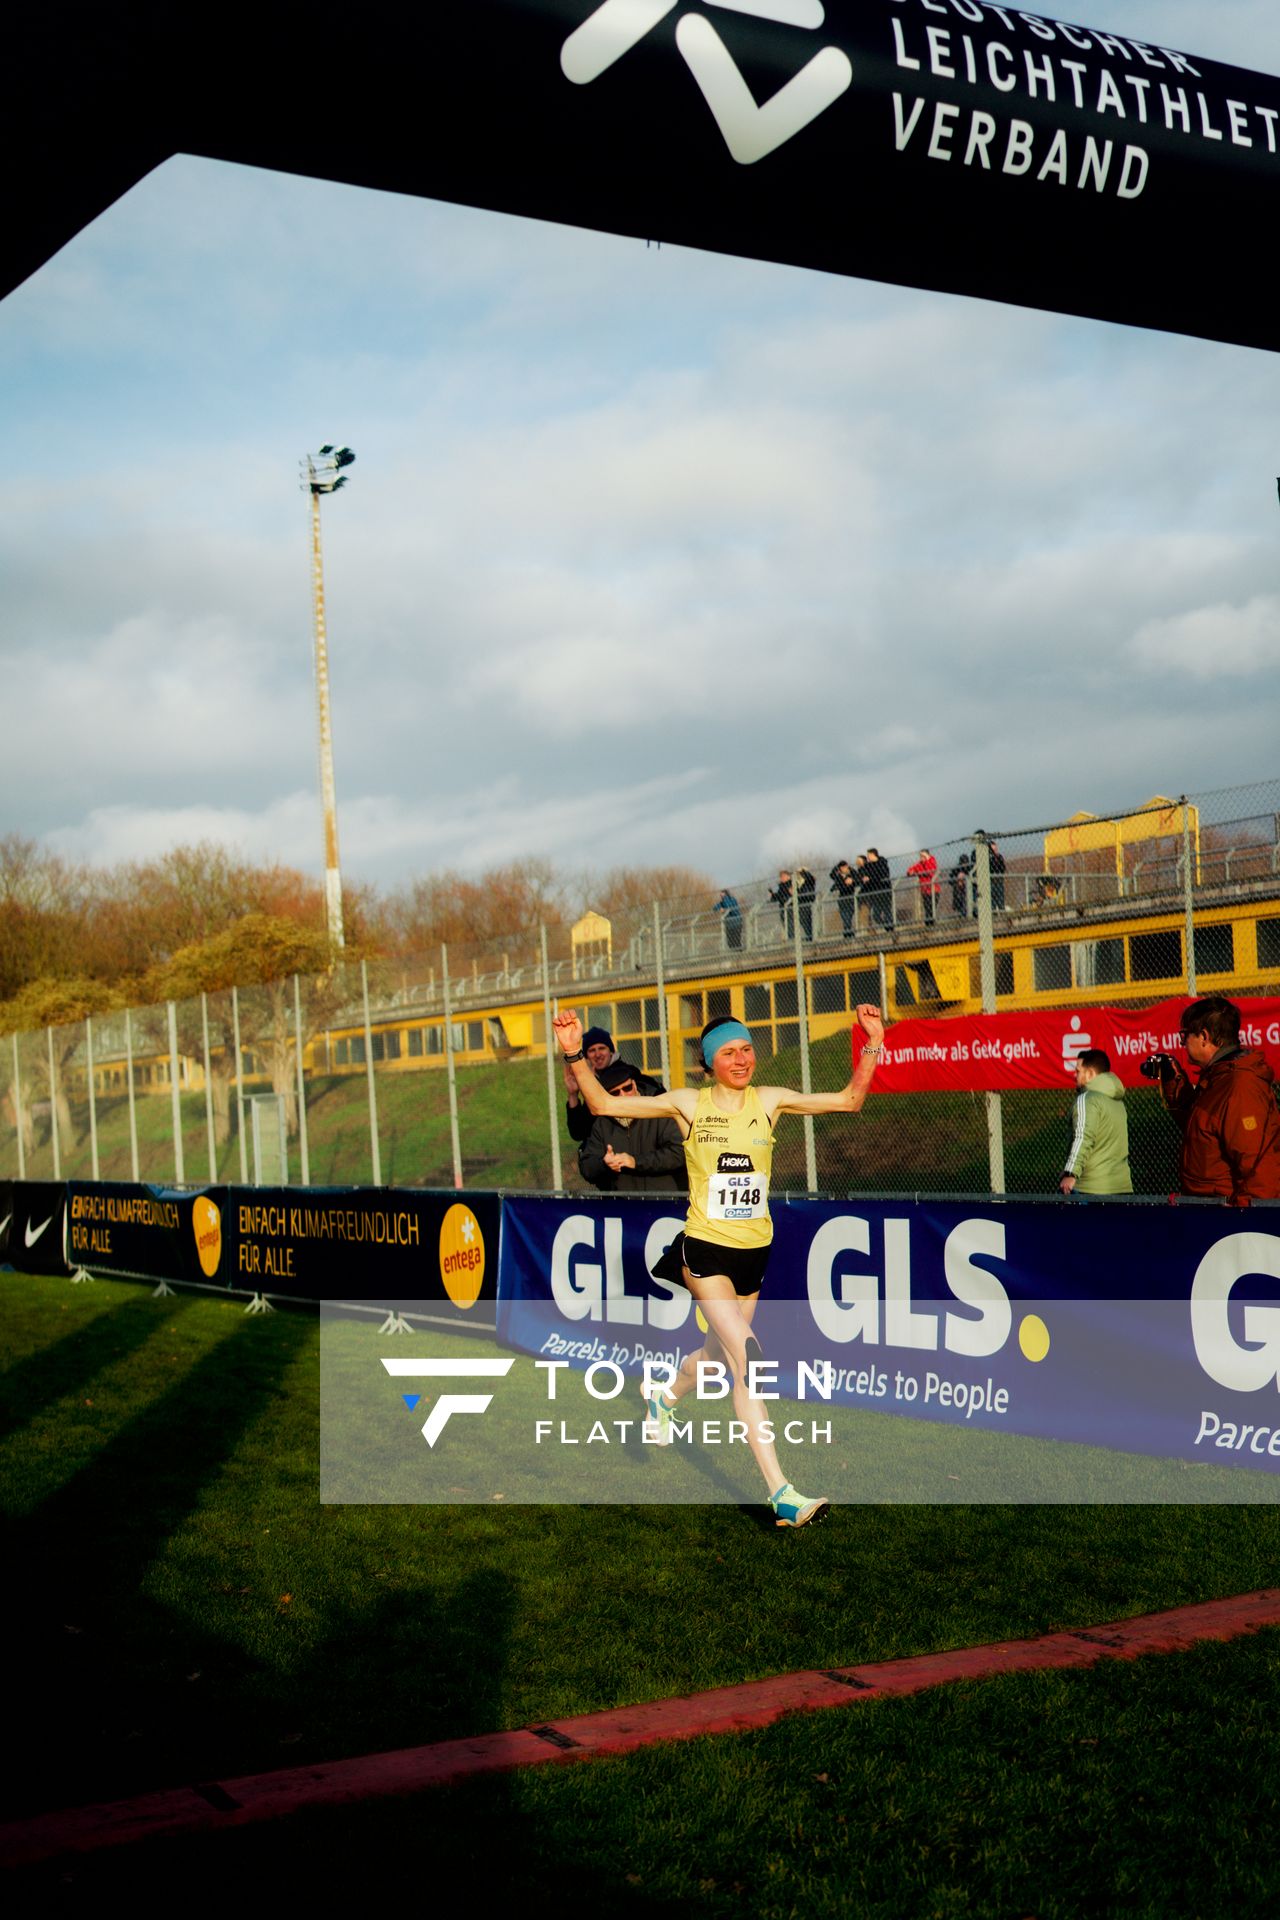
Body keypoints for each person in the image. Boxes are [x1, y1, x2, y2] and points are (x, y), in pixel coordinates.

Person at [554, 998, 886, 1529]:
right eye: (729, 1052)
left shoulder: (771, 1100)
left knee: (715, 1354)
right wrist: (572, 1054)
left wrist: (873, 1041)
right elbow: (596, 1105)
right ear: (709, 1063)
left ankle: (664, 1396)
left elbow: (849, 1100)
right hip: (703, 1249)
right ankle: (781, 1493)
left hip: (753, 1252)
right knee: (747, 1359)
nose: (742, 1059)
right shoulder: (686, 1104)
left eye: (747, 1049)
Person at [1143, 994, 1280, 1202]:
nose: (1182, 1043)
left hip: (1226, 1218)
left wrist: (1245, 1217)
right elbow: (1201, 1128)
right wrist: (1173, 1080)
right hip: (1208, 1210)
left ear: (1204, 1037)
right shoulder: (1217, 1078)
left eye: (1185, 1035)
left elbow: (1258, 1165)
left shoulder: (1240, 1086)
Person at [578, 1063, 687, 1193]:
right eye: (616, 1092)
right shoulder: (602, 1124)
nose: (623, 1095)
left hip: (664, 1202)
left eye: (627, 1088)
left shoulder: (660, 1111)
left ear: (634, 1085)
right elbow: (587, 1167)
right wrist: (605, 1164)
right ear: (608, 1096)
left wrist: (635, 1162)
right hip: (623, 1205)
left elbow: (679, 1153)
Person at [564, 1024, 662, 1144]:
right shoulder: (592, 1082)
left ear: (611, 1051)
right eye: (592, 1050)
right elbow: (579, 1132)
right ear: (587, 1056)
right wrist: (573, 1094)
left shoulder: (629, 1074)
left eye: (601, 1048)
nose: (597, 1054)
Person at [1059, 1049, 1132, 1197]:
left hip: (1090, 1189)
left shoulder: (1086, 1100)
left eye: (1078, 1071)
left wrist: (1071, 1173)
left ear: (1091, 1073)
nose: (1075, 1075)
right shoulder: (1118, 1103)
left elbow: (1083, 1137)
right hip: (1121, 1188)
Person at [906, 849, 940, 926]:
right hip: (925, 890)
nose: (921, 858)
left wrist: (927, 860)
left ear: (928, 856)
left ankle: (931, 922)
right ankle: (928, 923)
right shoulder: (919, 864)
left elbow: (930, 871)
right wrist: (910, 872)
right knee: (927, 907)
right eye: (920, 856)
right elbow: (911, 869)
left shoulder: (932, 861)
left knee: (932, 907)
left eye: (923, 856)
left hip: (934, 890)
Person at [863, 848, 892, 931]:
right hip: (875, 892)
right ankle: (887, 926)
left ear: (873, 854)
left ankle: (890, 929)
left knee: (887, 911)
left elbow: (883, 875)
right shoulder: (868, 866)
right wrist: (866, 878)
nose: (867, 857)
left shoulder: (882, 862)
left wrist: (870, 878)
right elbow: (866, 876)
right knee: (876, 915)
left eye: (868, 855)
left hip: (885, 890)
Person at [829, 860, 860, 939]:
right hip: (842, 897)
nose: (843, 869)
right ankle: (848, 932)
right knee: (844, 916)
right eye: (841, 868)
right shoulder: (838, 876)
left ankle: (848, 932)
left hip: (850, 896)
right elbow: (831, 875)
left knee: (848, 916)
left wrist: (850, 879)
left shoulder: (852, 873)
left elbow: (858, 880)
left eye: (845, 867)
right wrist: (838, 869)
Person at [769, 870, 794, 939]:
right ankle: (790, 938)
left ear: (787, 876)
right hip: (782, 907)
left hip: (790, 907)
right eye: (780, 877)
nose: (781, 878)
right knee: (785, 924)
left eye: (782, 876)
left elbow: (791, 894)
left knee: (790, 924)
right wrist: (773, 895)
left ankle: (793, 938)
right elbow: (779, 896)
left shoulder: (791, 883)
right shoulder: (781, 886)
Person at [796, 867, 816, 941]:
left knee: (806, 919)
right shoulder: (798, 882)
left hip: (807, 901)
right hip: (801, 902)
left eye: (800, 873)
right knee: (803, 920)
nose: (799, 874)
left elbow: (809, 878)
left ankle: (809, 936)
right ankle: (809, 935)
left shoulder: (809, 880)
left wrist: (804, 871)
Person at [949, 852, 971, 918]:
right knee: (959, 900)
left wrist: (965, 877)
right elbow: (950, 880)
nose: (964, 865)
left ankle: (966, 913)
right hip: (958, 889)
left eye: (965, 863)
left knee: (966, 900)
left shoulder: (970, 868)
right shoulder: (956, 869)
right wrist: (957, 879)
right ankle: (961, 914)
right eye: (963, 863)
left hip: (967, 888)